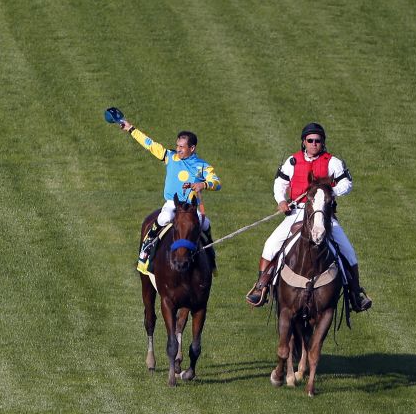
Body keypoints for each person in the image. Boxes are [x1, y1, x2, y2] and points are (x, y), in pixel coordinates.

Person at [246, 122, 372, 311]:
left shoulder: (333, 162)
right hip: (296, 213)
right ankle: (261, 287)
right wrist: (281, 201)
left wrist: (328, 191)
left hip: (323, 215)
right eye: (310, 140)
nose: (314, 144)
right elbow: (280, 183)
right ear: (304, 142)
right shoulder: (292, 161)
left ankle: (356, 293)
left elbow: (347, 183)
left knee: (348, 251)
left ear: (323, 143)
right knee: (270, 245)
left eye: (318, 141)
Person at [117, 115, 221, 274]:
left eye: (182, 147)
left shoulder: (203, 167)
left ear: (192, 148)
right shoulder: (170, 156)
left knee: (206, 223)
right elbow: (149, 144)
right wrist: (131, 129)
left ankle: (210, 253)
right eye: (177, 146)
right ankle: (147, 247)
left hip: (191, 208)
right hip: (173, 204)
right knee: (164, 218)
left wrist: (204, 184)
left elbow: (217, 182)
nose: (178, 149)